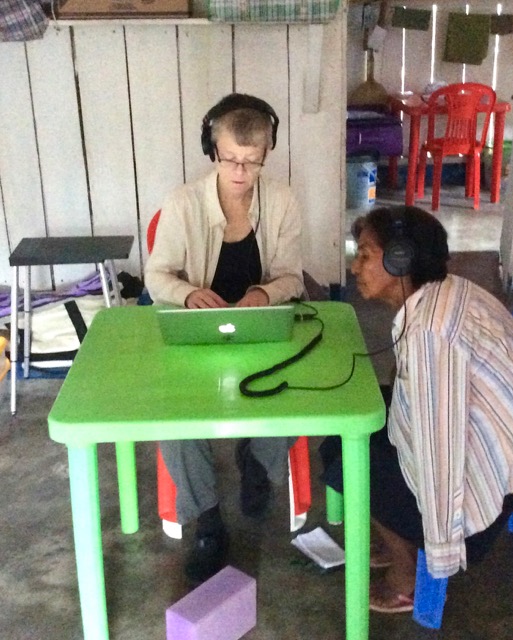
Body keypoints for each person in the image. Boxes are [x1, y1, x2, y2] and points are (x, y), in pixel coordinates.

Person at [320, 205, 513, 613]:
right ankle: (397, 534)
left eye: (366, 255)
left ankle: (408, 572)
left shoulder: (431, 333)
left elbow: (439, 451)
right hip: (501, 447)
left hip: (489, 487)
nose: (355, 267)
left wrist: (441, 546)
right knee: (349, 427)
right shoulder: (442, 294)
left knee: (346, 463)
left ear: (400, 261)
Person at [145, 93, 305, 585]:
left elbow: (293, 278)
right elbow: (156, 277)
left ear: (266, 155)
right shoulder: (182, 203)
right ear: (213, 150)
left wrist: (264, 292)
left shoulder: (282, 201)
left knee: (290, 390)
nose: (239, 171)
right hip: (196, 333)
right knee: (174, 416)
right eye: (231, 159)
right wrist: (189, 294)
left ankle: (257, 465)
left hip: (261, 329)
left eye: (251, 162)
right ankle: (208, 520)